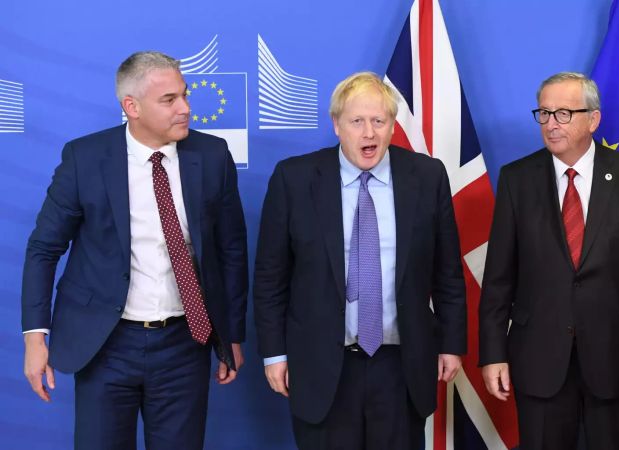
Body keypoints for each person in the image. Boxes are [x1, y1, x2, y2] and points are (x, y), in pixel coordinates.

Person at [21, 51, 249, 450]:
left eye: (185, 95)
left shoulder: (212, 156)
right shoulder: (85, 158)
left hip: (185, 344)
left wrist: (231, 333)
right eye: (169, 100)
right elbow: (43, 248)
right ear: (132, 107)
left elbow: (231, 249)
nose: (185, 109)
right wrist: (34, 339)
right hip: (105, 345)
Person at [253, 71, 466, 449]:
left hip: (400, 364)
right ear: (337, 125)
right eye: (357, 122)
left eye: (379, 121)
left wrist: (451, 343)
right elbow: (271, 278)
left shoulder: (427, 176)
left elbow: (447, 271)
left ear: (391, 125)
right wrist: (274, 353)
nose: (369, 133)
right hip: (322, 364)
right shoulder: (295, 178)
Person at [478, 72, 619, 449]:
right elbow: (499, 278)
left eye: (564, 114)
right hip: (538, 358)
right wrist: (492, 354)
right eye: (545, 114)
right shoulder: (517, 180)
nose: (551, 125)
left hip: (615, 357)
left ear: (594, 119)